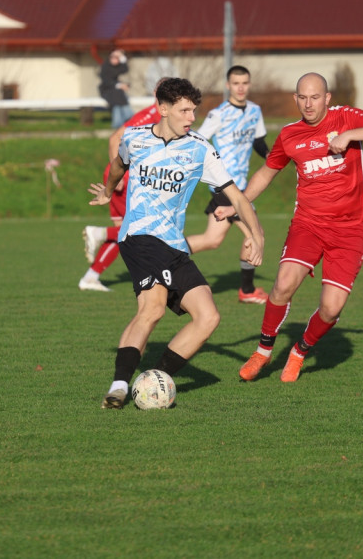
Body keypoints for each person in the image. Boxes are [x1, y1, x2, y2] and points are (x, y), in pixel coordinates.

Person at [88, 77, 265, 409]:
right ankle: (118, 387)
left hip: (174, 244)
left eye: (193, 110)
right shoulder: (135, 139)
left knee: (208, 316)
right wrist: (109, 191)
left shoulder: (200, 148)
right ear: (163, 108)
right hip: (138, 237)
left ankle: (154, 379)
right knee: (152, 309)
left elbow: (238, 198)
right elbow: (117, 166)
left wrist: (257, 236)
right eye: (184, 110)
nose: (191, 117)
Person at [223, 72, 363, 383]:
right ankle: (263, 352)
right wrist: (238, 202)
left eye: (315, 97)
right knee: (282, 285)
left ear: (327, 98)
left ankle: (300, 351)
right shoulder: (290, 135)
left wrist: (349, 135)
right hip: (308, 223)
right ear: (295, 99)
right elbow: (267, 172)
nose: (308, 103)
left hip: (349, 229)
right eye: (302, 97)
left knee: (331, 309)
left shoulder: (345, 117)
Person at [186, 65, 270, 304]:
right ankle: (247, 290)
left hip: (242, 186)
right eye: (236, 83)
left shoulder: (255, 111)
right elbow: (198, 140)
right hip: (224, 185)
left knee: (212, 240)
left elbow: (258, 141)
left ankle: (164, 255)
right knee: (255, 234)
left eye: (244, 83)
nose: (240, 87)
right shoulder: (219, 114)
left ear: (249, 84)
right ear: (228, 86)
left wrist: (270, 157)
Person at [80, 99, 162, 292]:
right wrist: (120, 173)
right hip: (122, 178)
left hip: (124, 177)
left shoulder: (164, 117)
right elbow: (115, 138)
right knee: (140, 227)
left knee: (123, 233)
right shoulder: (149, 116)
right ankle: (98, 232)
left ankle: (91, 277)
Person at [98, 49, 131, 128]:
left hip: (116, 92)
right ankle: (128, 117)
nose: (115, 59)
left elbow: (125, 69)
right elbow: (107, 81)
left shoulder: (117, 67)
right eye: (113, 57)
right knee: (118, 97)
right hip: (106, 90)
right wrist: (120, 85)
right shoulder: (105, 66)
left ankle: (118, 123)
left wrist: (122, 57)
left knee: (118, 101)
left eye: (117, 58)